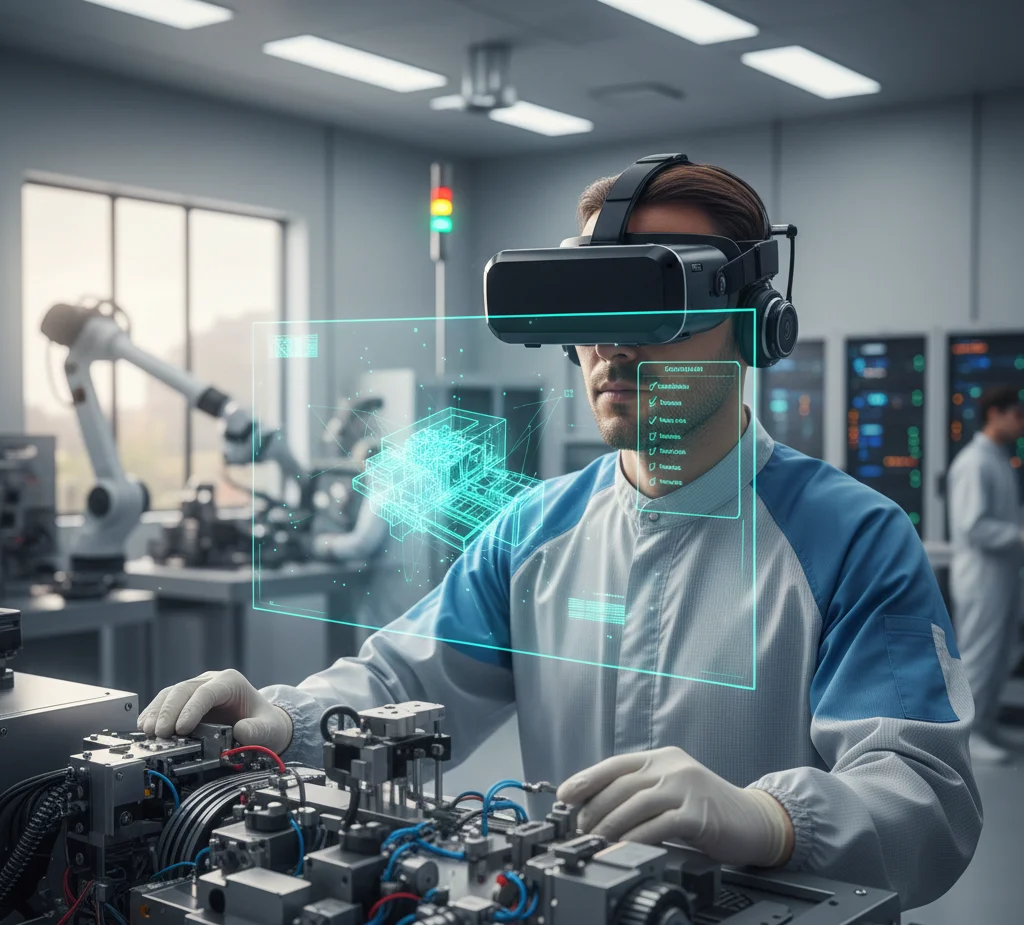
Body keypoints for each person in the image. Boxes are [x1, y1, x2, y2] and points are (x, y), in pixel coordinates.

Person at [138, 161, 981, 910]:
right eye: (589, 301)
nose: (611, 342)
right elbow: (402, 678)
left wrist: (772, 818)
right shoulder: (533, 530)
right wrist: (285, 719)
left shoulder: (852, 538)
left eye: (654, 300)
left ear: (752, 320)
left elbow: (927, 796)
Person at [947, 386, 1024, 763]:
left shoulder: (998, 459)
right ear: (994, 413)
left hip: (1002, 574)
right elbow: (973, 525)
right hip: (981, 576)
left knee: (1000, 655)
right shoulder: (975, 462)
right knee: (979, 656)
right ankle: (969, 735)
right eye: (1017, 415)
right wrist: (1019, 535)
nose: (1021, 424)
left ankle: (987, 725)